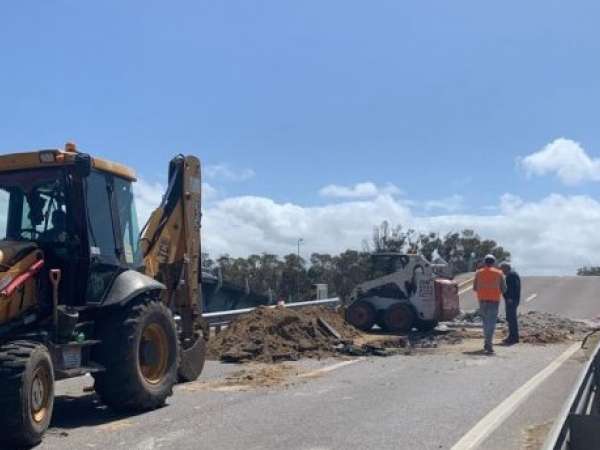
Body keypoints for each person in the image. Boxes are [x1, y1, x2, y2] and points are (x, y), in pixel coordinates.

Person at [473, 254, 507, 354]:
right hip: (494, 301)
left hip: (482, 301)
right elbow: (504, 289)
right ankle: (489, 344)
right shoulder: (499, 273)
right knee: (491, 324)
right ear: (493, 262)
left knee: (485, 323)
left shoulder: (478, 273)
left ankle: (486, 342)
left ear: (485, 262)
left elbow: (475, 288)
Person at [500, 261, 521, 345]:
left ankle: (513, 337)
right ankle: (512, 336)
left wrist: (510, 298)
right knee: (510, 318)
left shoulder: (511, 275)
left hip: (511, 300)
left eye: (502, 268)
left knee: (512, 319)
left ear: (506, 268)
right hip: (511, 300)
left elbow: (513, 288)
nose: (501, 270)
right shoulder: (511, 274)